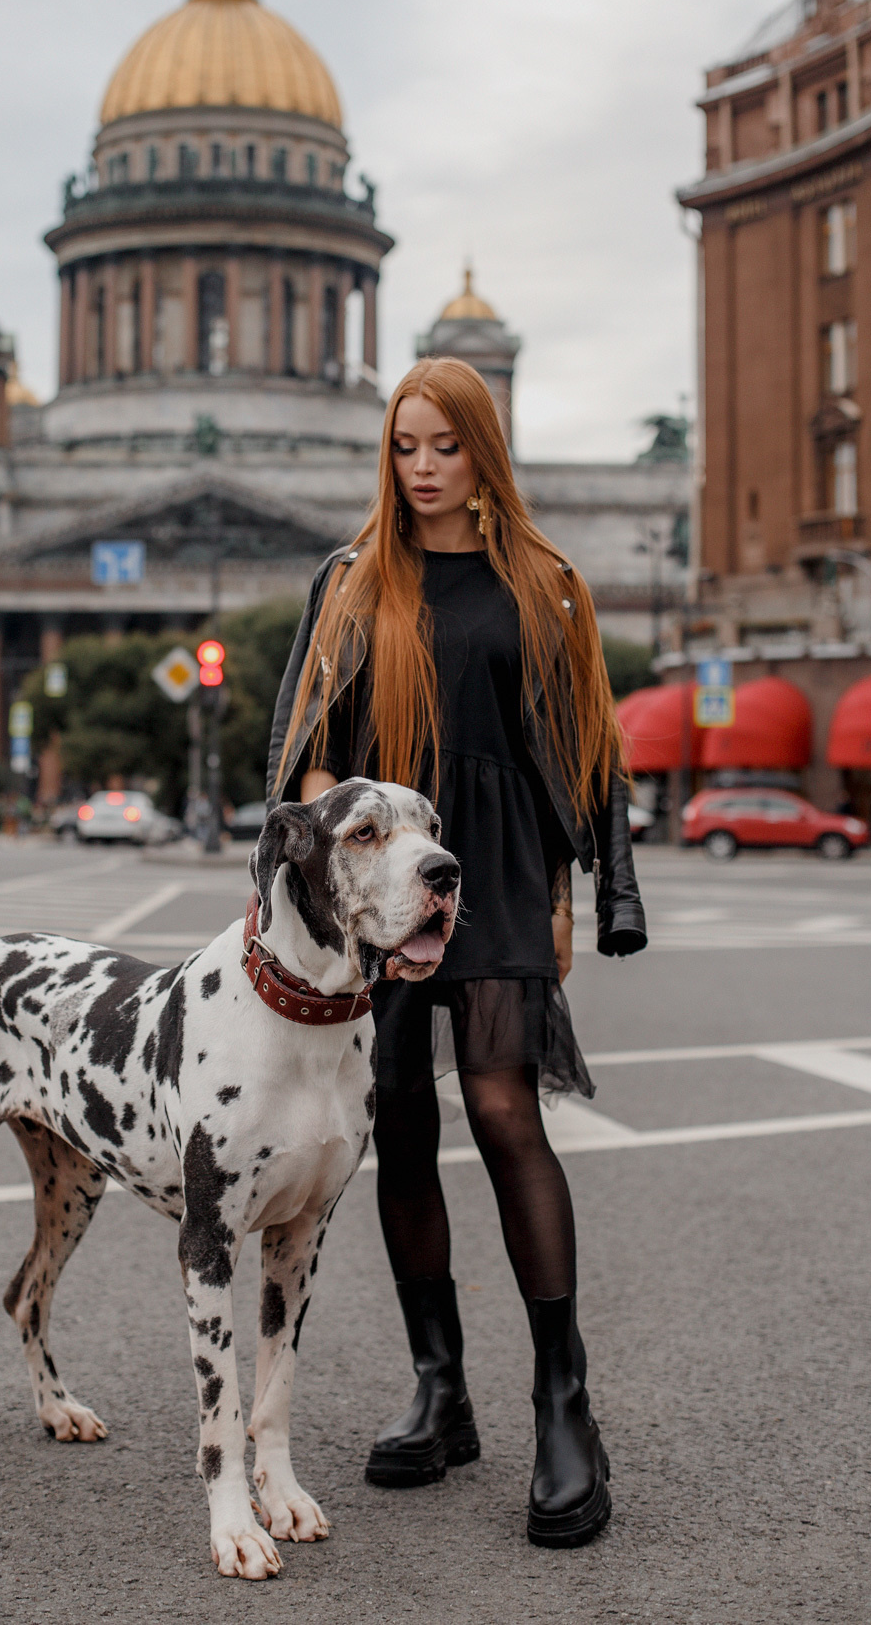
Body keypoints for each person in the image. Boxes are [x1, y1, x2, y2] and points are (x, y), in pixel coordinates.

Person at [267, 358, 645, 1549]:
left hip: (500, 862)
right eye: (404, 446)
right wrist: (343, 868)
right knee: (398, 1120)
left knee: (501, 1108)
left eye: (444, 445)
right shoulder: (348, 577)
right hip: (383, 874)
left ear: (484, 449)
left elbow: (584, 750)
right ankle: (442, 1388)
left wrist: (575, 896)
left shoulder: (547, 582)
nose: (421, 467)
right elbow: (310, 746)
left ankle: (562, 1399)